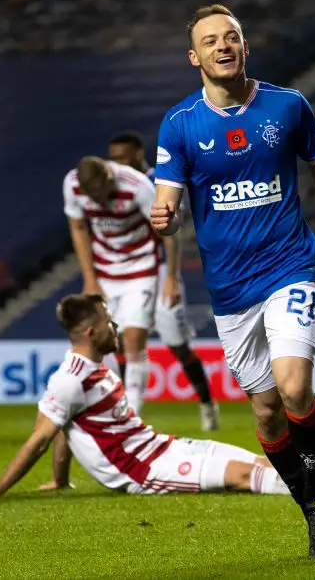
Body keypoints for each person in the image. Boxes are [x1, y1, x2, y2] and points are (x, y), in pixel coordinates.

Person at [148, 5, 315, 558]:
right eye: (210, 41)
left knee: (294, 386)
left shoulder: (287, 106)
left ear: (245, 46)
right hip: (230, 290)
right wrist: (163, 217)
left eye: (231, 36)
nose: (222, 46)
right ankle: (313, 506)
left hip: (289, 267)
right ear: (195, 57)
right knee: (265, 411)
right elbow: (169, 204)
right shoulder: (180, 124)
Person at [0, 294, 315, 503]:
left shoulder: (92, 370)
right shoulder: (69, 377)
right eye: (110, 321)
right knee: (245, 476)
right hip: (145, 470)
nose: (118, 327)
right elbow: (42, 437)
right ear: (93, 332)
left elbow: (63, 432)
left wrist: (60, 481)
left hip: (163, 445)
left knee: (267, 462)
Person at [109, 131, 220, 431]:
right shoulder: (113, 187)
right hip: (128, 277)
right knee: (121, 342)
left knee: (177, 345)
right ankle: (126, 409)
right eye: (113, 158)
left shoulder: (158, 181)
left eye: (122, 157)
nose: (117, 164)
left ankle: (207, 402)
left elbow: (172, 233)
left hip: (159, 273)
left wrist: (171, 278)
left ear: (136, 153)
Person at [64, 155, 169, 416]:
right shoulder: (72, 184)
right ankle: (102, 404)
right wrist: (89, 277)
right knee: (103, 339)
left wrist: (172, 277)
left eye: (103, 195)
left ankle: (132, 414)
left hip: (140, 268)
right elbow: (78, 228)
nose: (100, 203)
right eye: (94, 198)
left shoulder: (137, 186)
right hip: (104, 271)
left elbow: (167, 231)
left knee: (134, 339)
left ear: (109, 179)